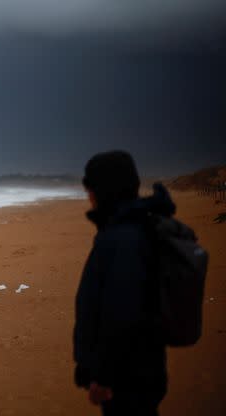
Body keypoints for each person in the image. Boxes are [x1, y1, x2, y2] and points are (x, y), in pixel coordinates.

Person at [74, 150, 174, 415]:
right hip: (138, 371)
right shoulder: (131, 229)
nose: (89, 196)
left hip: (128, 378)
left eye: (91, 188)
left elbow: (124, 313)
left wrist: (105, 376)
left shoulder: (124, 238)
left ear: (105, 190)